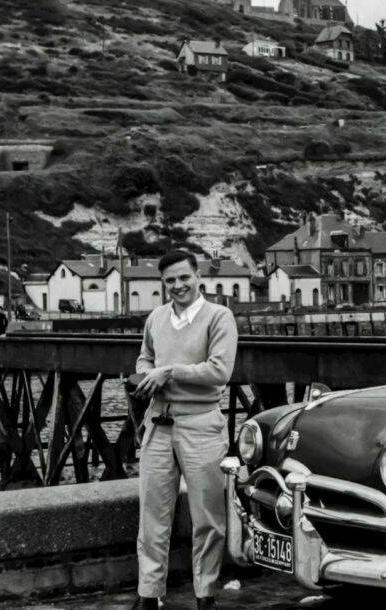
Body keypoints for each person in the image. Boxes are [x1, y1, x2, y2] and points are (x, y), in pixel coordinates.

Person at [132, 250, 238, 610]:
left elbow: (219, 371)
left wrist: (170, 371)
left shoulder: (219, 317)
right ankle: (149, 595)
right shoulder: (156, 318)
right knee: (152, 514)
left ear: (197, 277)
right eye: (170, 281)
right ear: (163, 285)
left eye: (183, 278)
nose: (177, 286)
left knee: (207, 516)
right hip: (159, 421)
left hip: (201, 424)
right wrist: (148, 373)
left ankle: (204, 595)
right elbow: (145, 357)